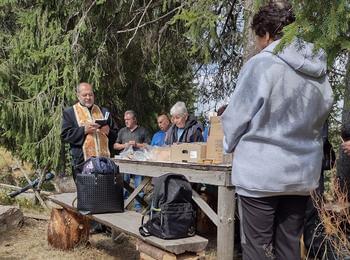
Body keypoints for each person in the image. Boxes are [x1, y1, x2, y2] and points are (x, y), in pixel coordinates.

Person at [221, 2, 333, 260]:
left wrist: (230, 143)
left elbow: (236, 118)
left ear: (267, 34)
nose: (259, 44)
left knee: (257, 251)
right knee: (288, 249)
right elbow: (323, 111)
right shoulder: (317, 70)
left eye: (259, 38)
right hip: (300, 175)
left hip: (261, 175)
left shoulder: (262, 65)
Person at [61, 82, 117, 180]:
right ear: (78, 96)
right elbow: (65, 135)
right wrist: (83, 130)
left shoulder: (103, 111)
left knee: (106, 194)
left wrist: (109, 132)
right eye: (84, 95)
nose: (88, 97)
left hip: (105, 164)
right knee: (87, 195)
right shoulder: (70, 112)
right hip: (82, 164)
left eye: (90, 94)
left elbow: (116, 135)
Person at [113, 110, 150, 212]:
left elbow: (148, 146)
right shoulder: (122, 131)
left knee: (139, 184)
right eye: (125, 120)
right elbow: (115, 145)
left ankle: (138, 207)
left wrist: (136, 145)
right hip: (126, 162)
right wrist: (125, 145)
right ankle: (125, 205)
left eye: (128, 119)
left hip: (139, 162)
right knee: (125, 183)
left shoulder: (142, 130)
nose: (126, 121)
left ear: (134, 119)